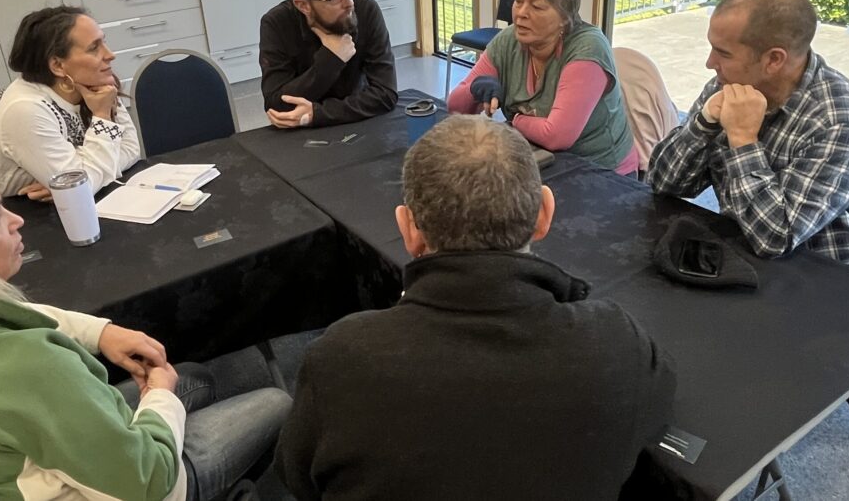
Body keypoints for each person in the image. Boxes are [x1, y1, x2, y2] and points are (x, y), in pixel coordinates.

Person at [0, 152, 292, 501]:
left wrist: (100, 332)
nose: (17, 220)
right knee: (274, 401)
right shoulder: (27, 367)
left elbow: (13, 319)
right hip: (142, 486)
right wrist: (158, 396)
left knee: (194, 377)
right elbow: (149, 483)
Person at [274, 116, 675, 500]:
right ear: (544, 214)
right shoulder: (616, 344)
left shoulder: (339, 359)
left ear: (409, 230)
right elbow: (654, 419)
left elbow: (297, 477)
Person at [647, 0, 849, 271]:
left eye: (723, 53)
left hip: (825, 280)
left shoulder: (846, 122)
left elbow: (774, 238)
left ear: (773, 60)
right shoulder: (729, 84)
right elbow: (663, 183)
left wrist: (742, 139)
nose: (709, 63)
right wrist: (703, 125)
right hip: (743, 258)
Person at [447, 0, 637, 174]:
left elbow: (556, 136)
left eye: (536, 6)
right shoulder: (509, 39)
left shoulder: (588, 48)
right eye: (518, 2)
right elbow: (455, 107)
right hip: (539, 158)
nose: (521, 13)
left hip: (603, 172)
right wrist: (475, 89)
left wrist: (514, 120)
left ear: (565, 17)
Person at [0, 6, 141, 200]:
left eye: (103, 42)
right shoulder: (25, 110)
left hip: (77, 204)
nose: (109, 55)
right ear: (57, 65)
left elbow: (131, 149)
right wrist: (101, 116)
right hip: (17, 214)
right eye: (94, 48)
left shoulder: (96, 84)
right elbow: (80, 191)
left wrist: (80, 177)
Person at [259, 0, 398, 128]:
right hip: (301, 135)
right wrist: (331, 59)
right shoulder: (277, 23)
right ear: (303, 5)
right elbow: (276, 105)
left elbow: (386, 94)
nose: (349, 3)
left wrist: (317, 114)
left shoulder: (367, 11)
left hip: (359, 121)